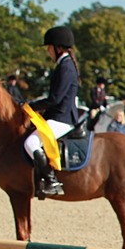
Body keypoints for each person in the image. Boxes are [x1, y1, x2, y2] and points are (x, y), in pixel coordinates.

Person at [25, 26, 80, 197]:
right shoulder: (64, 64)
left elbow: (54, 99)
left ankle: (51, 180)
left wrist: (29, 106)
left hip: (62, 118)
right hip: (58, 116)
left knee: (31, 143)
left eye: (49, 47)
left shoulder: (65, 67)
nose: (48, 51)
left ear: (58, 48)